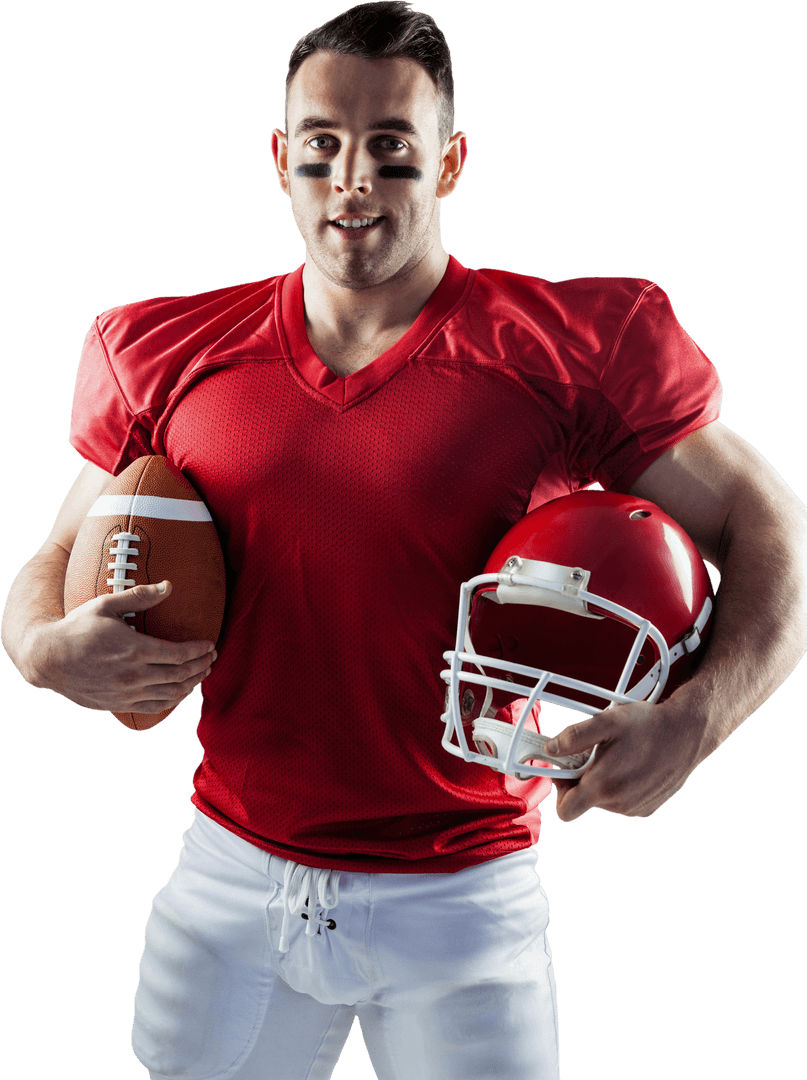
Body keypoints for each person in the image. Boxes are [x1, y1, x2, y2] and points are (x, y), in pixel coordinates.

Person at [2, 3, 805, 1079]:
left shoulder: (560, 350)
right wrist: (36, 646)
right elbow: (55, 556)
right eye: (323, 146)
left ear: (450, 163)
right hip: (230, 874)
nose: (354, 181)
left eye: (392, 147)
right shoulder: (172, 349)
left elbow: (778, 525)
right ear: (282, 158)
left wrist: (699, 719)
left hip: (463, 886)